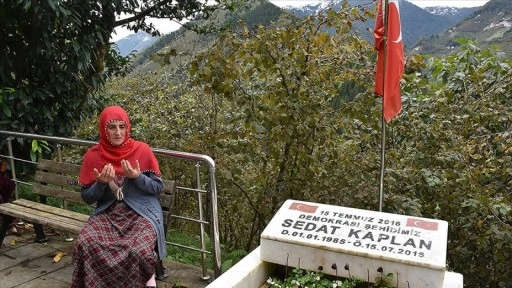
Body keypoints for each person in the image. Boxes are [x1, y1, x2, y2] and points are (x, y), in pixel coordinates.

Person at [72, 106, 165, 288]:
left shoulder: (142, 150)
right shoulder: (93, 156)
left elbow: (157, 187)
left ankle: (145, 280)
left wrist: (137, 177)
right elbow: (87, 198)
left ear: (128, 127)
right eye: (112, 127)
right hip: (109, 212)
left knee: (138, 250)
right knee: (86, 242)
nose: (118, 132)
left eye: (122, 127)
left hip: (142, 212)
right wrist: (100, 183)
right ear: (103, 130)